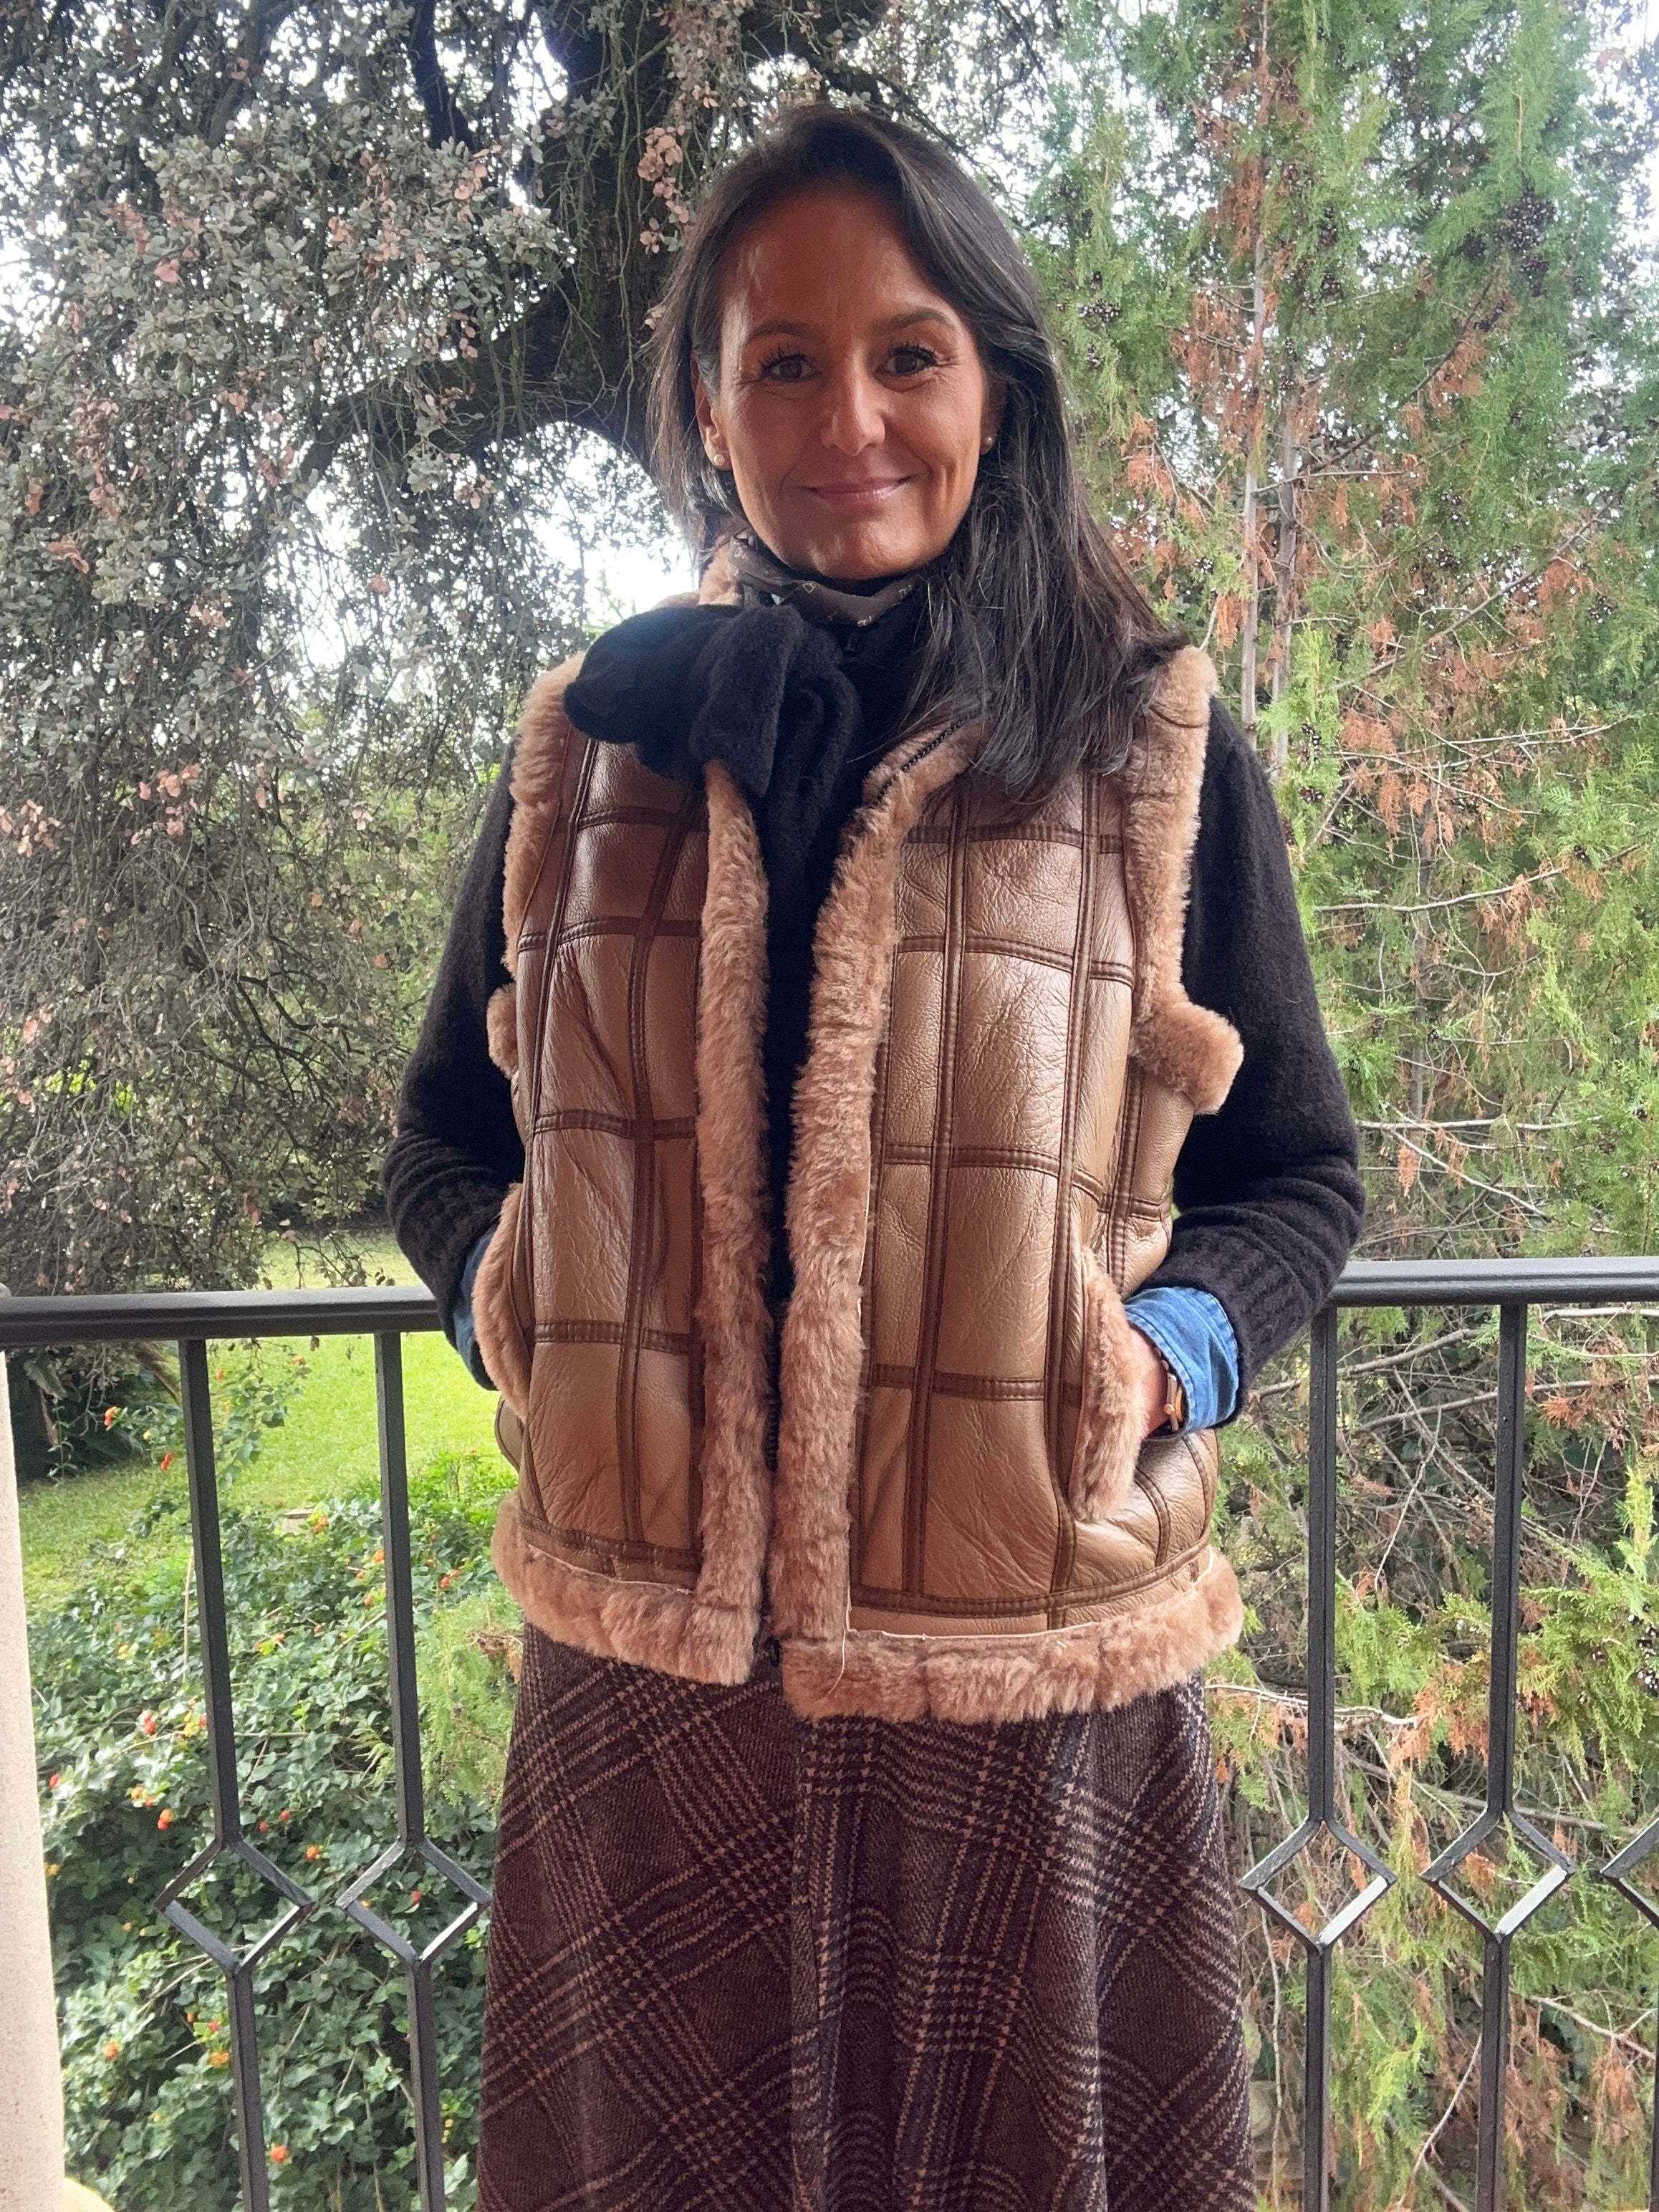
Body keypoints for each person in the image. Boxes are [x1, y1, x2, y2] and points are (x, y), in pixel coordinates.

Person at [385, 102, 1362, 2212]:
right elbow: (442, 1143)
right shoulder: (592, 749)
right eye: (784, 362)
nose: (850, 422)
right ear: (707, 413)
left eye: (908, 354)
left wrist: (1164, 1355)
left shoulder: (1149, 744)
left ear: (993, 388)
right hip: (652, 1696)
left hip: (1030, 1690)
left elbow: (1298, 1178)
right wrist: (520, 1313)